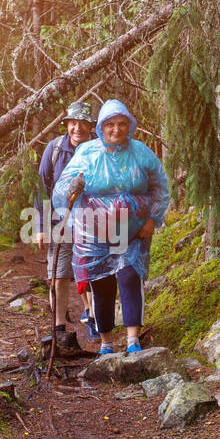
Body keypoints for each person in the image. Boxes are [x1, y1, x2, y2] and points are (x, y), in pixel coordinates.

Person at [53, 99, 169, 355]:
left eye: (122, 124)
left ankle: (132, 339)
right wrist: (72, 189)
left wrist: (152, 219)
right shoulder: (87, 153)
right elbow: (62, 187)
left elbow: (159, 187)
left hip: (133, 232)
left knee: (129, 278)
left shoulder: (141, 153)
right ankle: (106, 342)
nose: (116, 130)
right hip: (95, 235)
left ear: (130, 126)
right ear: (101, 127)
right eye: (110, 125)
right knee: (102, 284)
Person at [35, 101, 97, 351]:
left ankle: (94, 319)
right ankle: (59, 326)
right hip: (60, 221)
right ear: (67, 125)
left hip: (94, 222)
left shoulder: (99, 149)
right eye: (73, 122)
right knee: (59, 274)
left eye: (83, 123)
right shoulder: (54, 149)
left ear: (91, 126)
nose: (77, 128)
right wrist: (40, 226)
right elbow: (42, 188)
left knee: (93, 271)